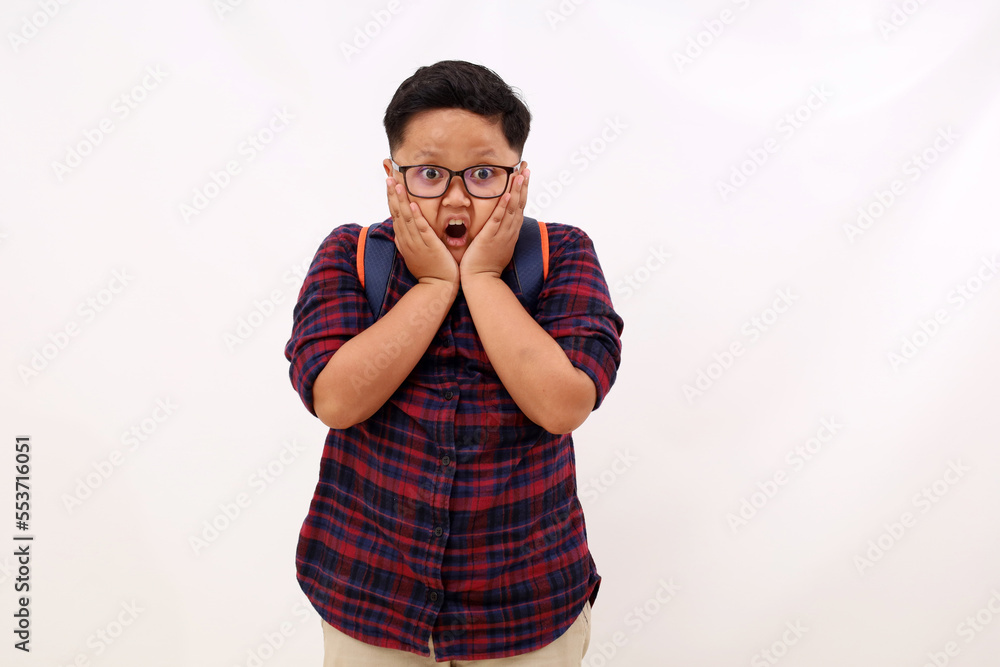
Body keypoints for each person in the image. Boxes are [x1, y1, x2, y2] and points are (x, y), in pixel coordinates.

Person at [284, 60, 624, 665]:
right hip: (369, 599)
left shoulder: (562, 252)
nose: (458, 198)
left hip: (526, 609)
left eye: (485, 173)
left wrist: (485, 277)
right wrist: (435, 285)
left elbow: (562, 405)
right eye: (431, 174)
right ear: (394, 175)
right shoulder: (352, 253)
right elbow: (335, 400)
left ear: (519, 176)